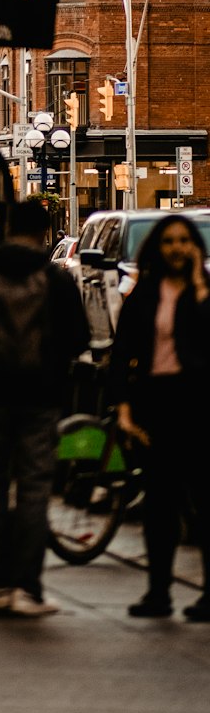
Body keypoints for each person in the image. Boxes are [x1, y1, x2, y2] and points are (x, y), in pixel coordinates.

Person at [0, 198, 90, 618]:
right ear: (45, 233)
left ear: (6, 228)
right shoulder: (54, 279)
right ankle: (27, 586)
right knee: (34, 489)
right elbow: (78, 338)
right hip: (40, 398)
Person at [108, 215, 210, 620]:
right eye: (169, 241)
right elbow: (121, 354)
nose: (177, 248)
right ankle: (158, 592)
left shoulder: (205, 294)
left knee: (204, 503)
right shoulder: (146, 293)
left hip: (200, 405)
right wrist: (125, 410)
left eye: (185, 240)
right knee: (161, 504)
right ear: (158, 247)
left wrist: (202, 291)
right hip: (157, 405)